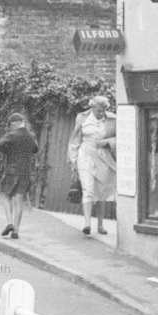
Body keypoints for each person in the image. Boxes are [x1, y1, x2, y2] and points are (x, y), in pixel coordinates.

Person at [68, 96, 116, 235]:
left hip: (103, 157)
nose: (101, 113)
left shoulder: (113, 119)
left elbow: (121, 136)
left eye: (103, 111)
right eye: (98, 110)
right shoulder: (82, 118)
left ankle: (100, 225)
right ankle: (87, 224)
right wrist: (73, 161)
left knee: (101, 192)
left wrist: (107, 141)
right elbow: (74, 140)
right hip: (85, 155)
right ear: (92, 108)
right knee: (88, 189)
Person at [0, 112, 39, 239]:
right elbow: (35, 149)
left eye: (10, 125)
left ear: (14, 124)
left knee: (7, 196)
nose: (10, 128)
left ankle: (9, 222)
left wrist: (8, 151)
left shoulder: (12, 135)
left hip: (11, 171)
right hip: (25, 172)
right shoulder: (30, 136)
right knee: (19, 200)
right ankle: (16, 231)